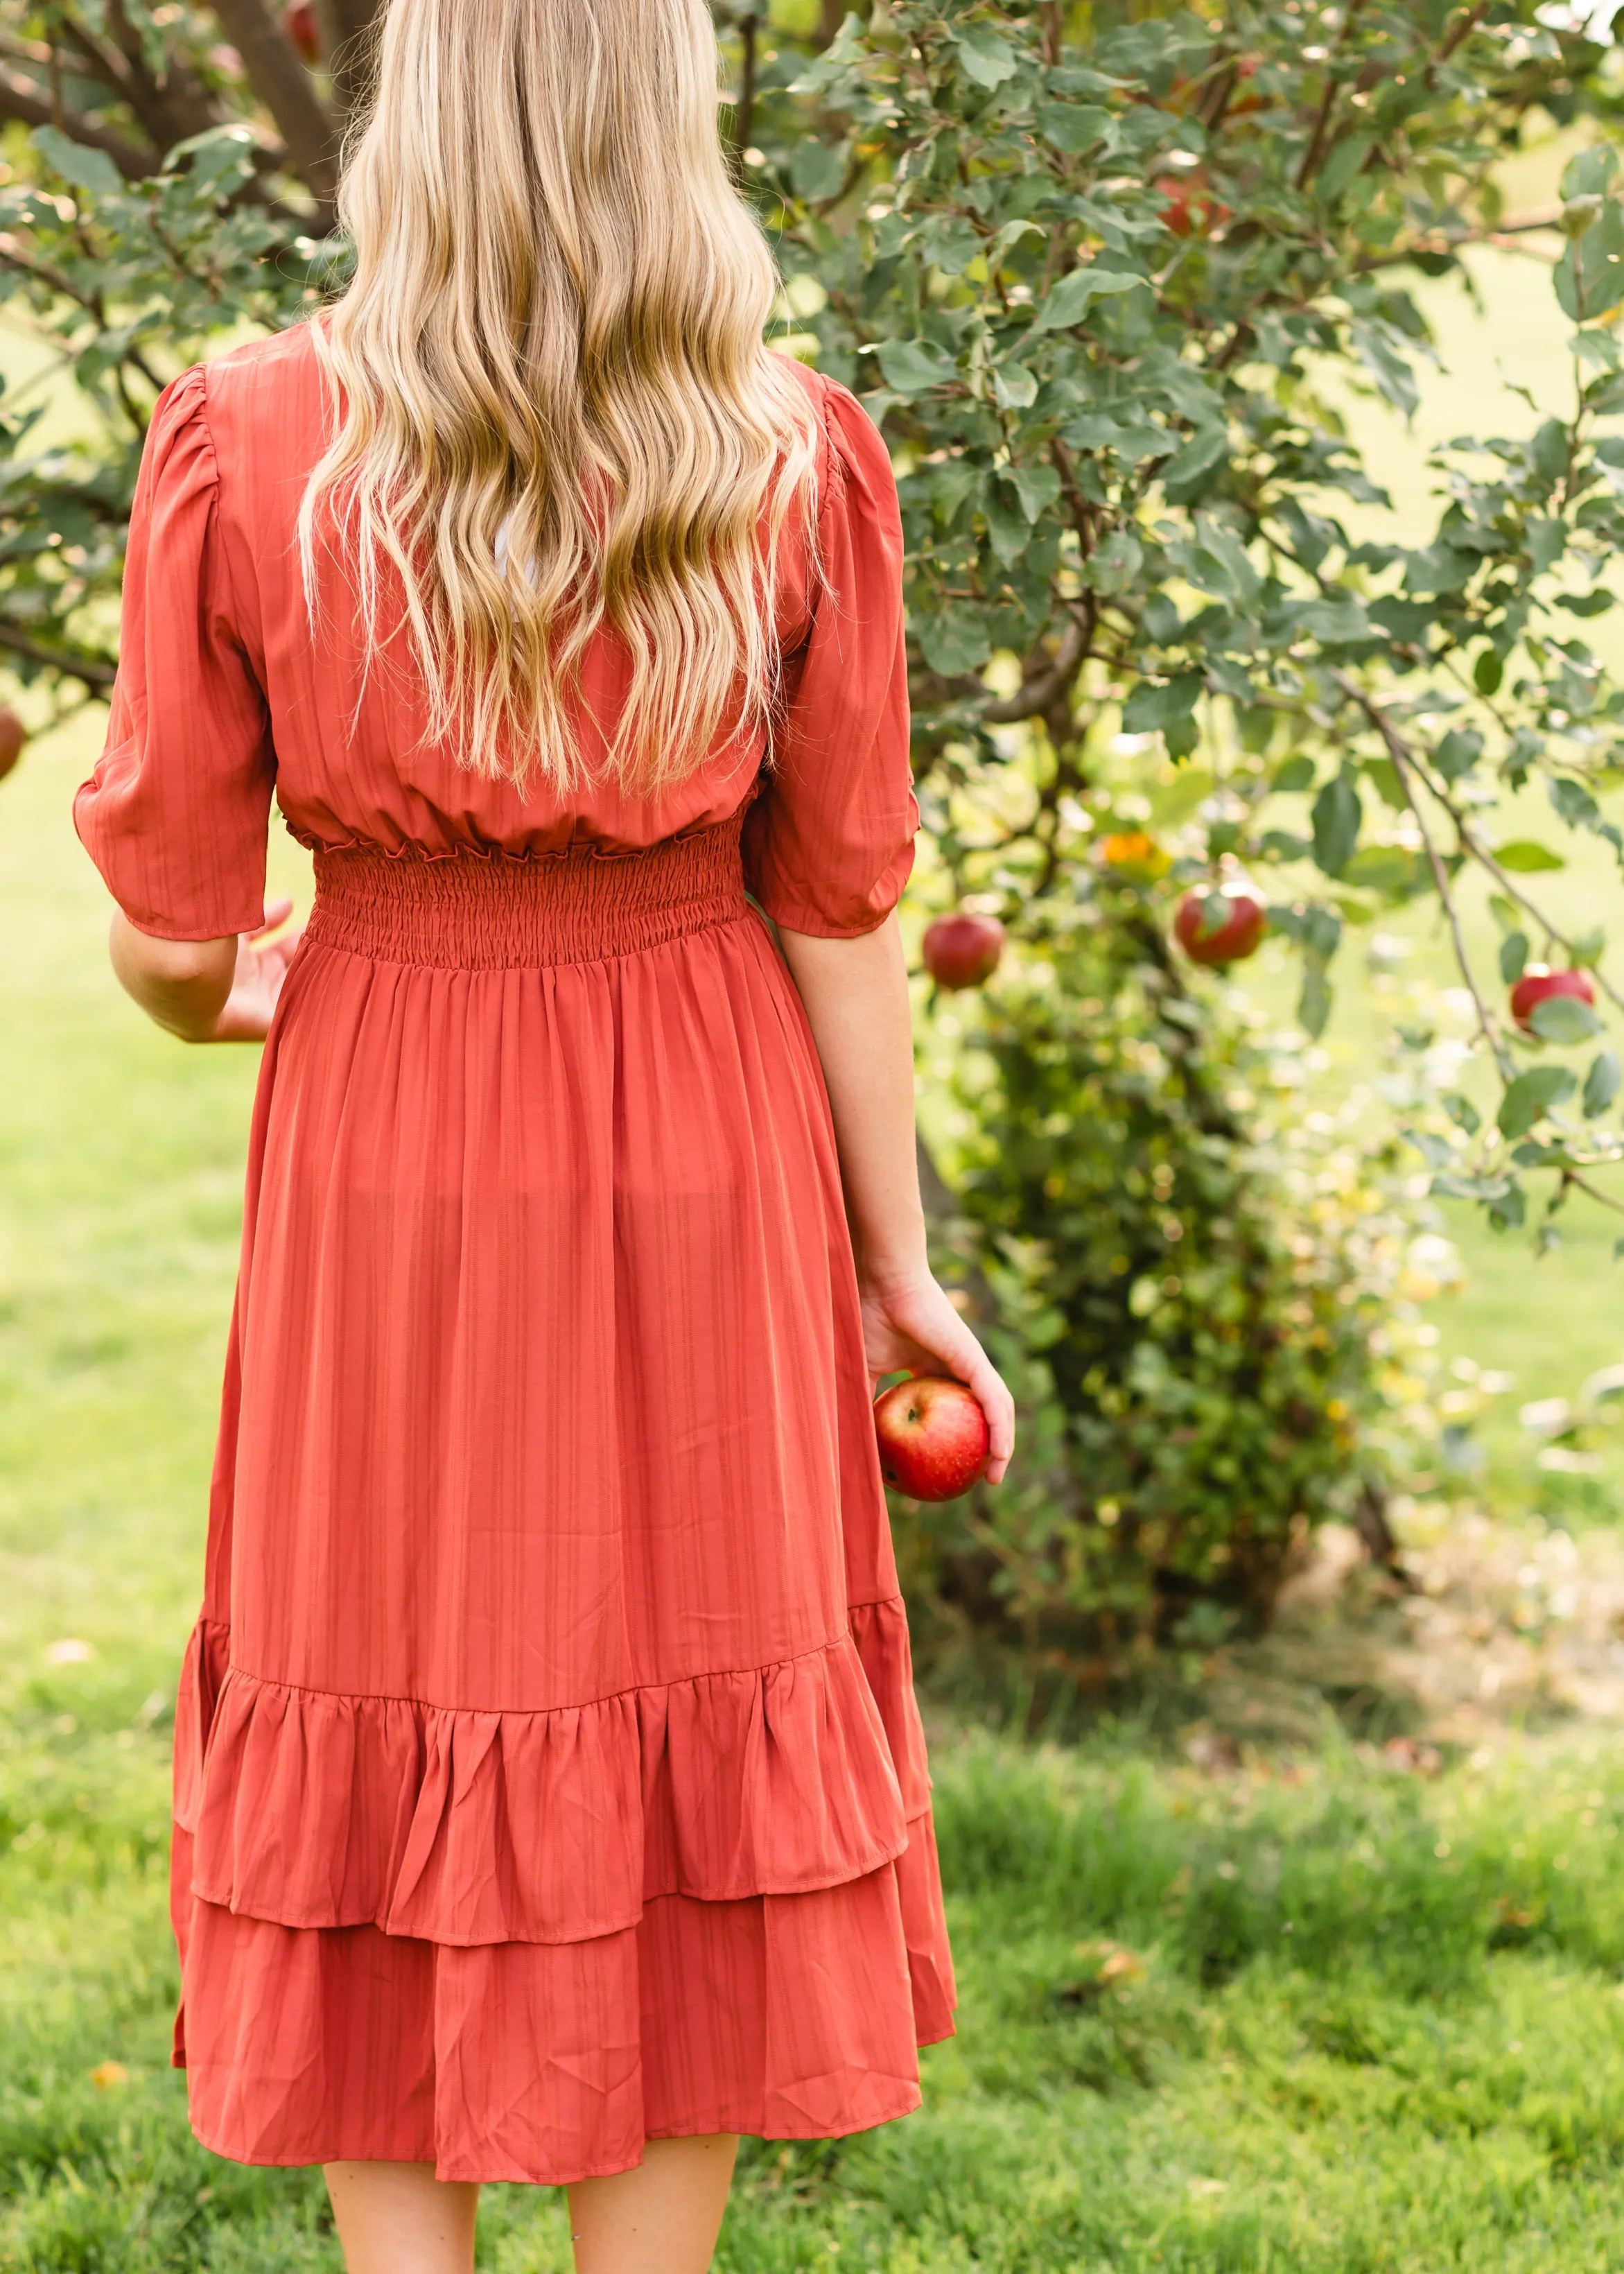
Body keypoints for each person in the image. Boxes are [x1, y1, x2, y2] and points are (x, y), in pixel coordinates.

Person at [73, 2, 1015, 2270]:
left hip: (385, 1123)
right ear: (658, 118)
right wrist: (898, 1269)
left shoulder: (251, 438)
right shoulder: (786, 455)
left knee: (378, 1695)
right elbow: (840, 910)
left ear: (424, 112)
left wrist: (250, 995)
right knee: (687, 1686)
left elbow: (176, 929)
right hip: (704, 1118)